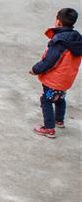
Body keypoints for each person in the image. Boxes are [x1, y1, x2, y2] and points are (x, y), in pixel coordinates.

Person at [30, 8, 82, 138]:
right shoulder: (77, 39)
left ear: (58, 22)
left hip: (54, 79)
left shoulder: (59, 41)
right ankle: (59, 120)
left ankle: (49, 128)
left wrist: (36, 69)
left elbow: (49, 60)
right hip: (67, 78)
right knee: (60, 98)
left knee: (46, 100)